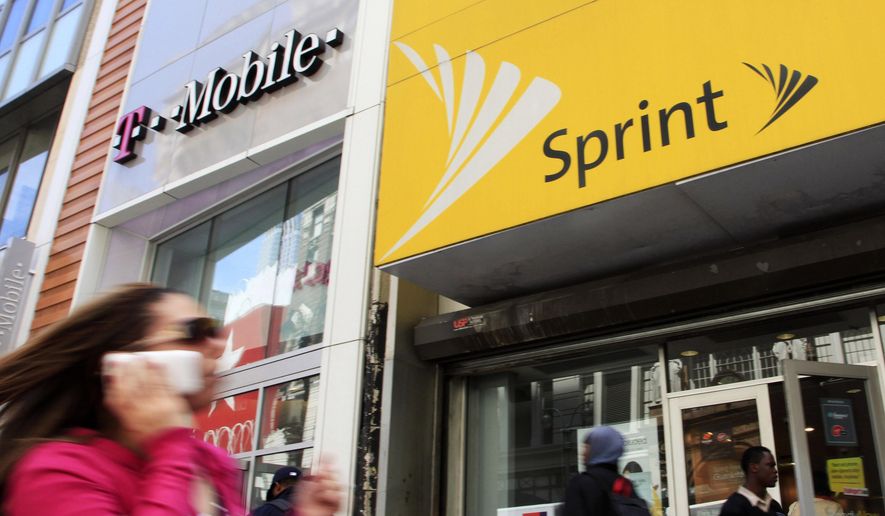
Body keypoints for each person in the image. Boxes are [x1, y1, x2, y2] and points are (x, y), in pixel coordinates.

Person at [0, 283, 341, 516]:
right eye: (195, 331)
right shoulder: (57, 471)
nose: (219, 344)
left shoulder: (210, 462)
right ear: (120, 362)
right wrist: (169, 448)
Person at [563, 426, 648, 515]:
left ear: (597, 449)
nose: (582, 453)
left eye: (587, 447)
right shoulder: (625, 485)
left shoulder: (581, 483)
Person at [719, 446, 785, 515]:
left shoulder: (774, 505)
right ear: (754, 467)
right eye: (770, 465)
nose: (775, 471)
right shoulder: (734, 508)